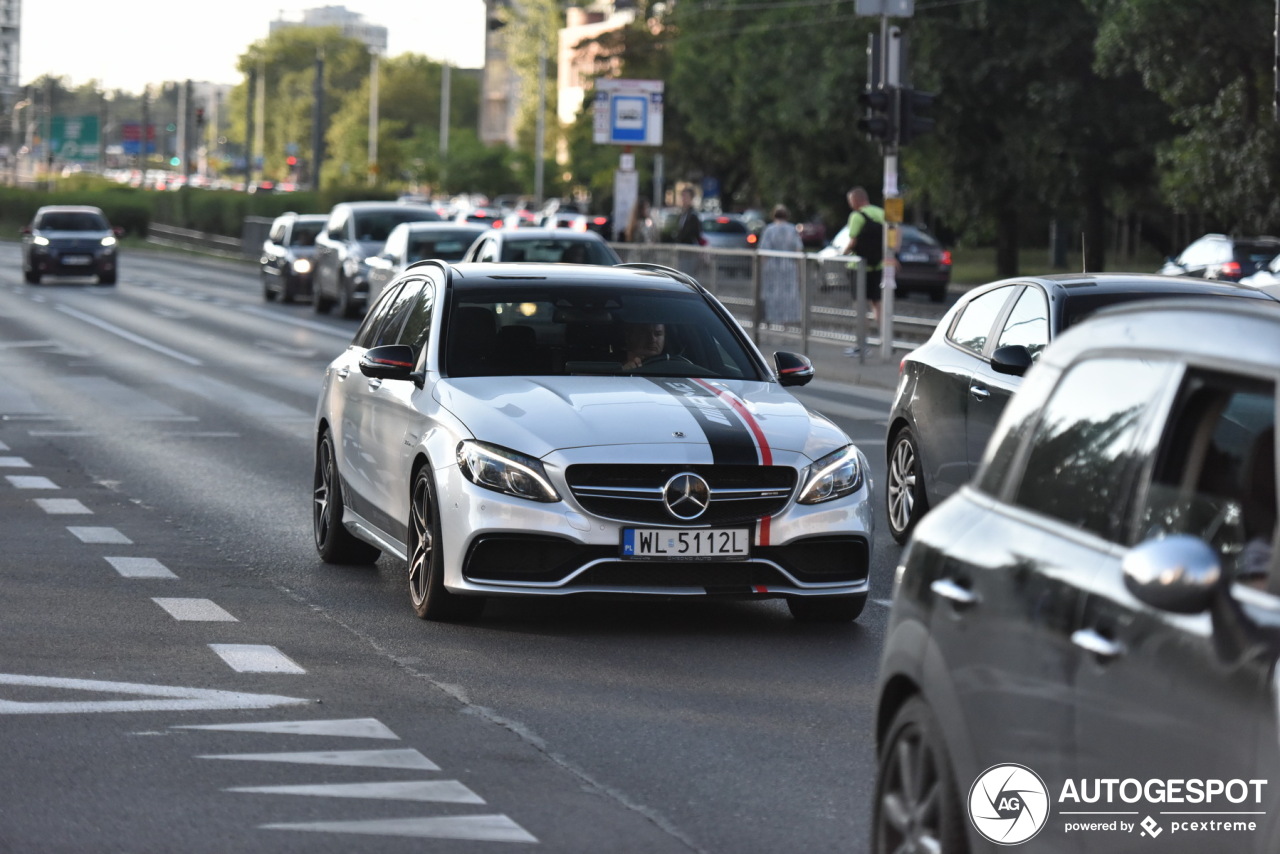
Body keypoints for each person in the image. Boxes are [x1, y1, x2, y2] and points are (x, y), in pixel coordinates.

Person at [844, 186, 887, 323]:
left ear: (856, 200)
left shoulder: (856, 216)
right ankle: (881, 332)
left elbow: (853, 241)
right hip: (877, 264)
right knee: (876, 301)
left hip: (858, 266)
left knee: (859, 301)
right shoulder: (882, 213)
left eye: (851, 201)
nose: (850, 205)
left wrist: (843, 254)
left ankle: (861, 333)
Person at [758, 204, 804, 328]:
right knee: (788, 296)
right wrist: (799, 270)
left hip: (772, 267)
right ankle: (786, 323)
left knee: (772, 295)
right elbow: (798, 249)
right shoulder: (792, 229)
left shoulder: (769, 229)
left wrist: (761, 267)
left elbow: (763, 251)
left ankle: (771, 322)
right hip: (789, 266)